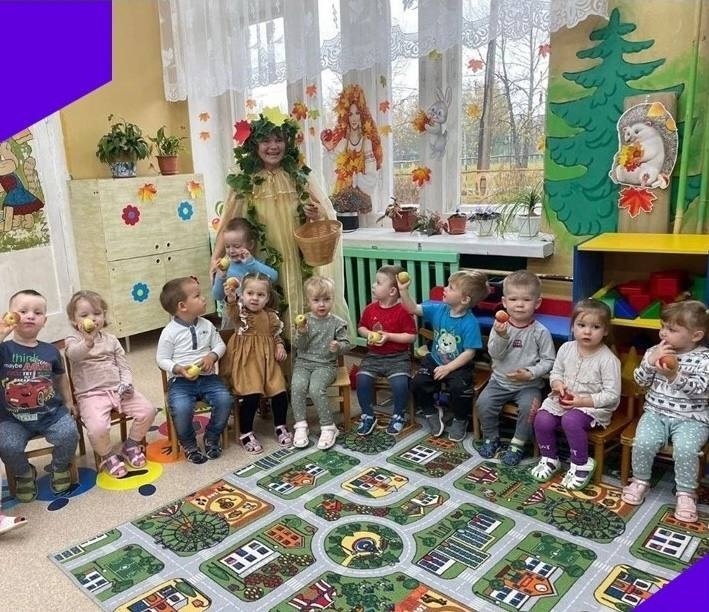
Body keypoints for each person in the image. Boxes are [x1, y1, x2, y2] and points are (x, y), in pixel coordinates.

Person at [211, 114, 349, 341]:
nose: (273, 146)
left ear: (288, 143)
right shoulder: (246, 180)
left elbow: (325, 215)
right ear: (255, 145)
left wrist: (316, 214)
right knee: (265, 298)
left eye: (279, 140)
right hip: (261, 255)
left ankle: (301, 348)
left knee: (298, 295)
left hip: (296, 254)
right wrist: (215, 257)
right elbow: (228, 221)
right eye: (266, 141)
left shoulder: (297, 175)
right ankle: (271, 349)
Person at [622, 301, 709, 522]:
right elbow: (640, 381)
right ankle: (640, 480)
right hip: (655, 413)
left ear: (696, 335)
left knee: (686, 449)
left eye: (672, 329)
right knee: (643, 442)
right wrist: (650, 363)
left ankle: (686, 493)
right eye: (663, 326)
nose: (663, 333)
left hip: (692, 419)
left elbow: (701, 390)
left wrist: (674, 376)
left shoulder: (704, 359)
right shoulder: (654, 351)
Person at [530, 298, 621, 490]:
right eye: (581, 325)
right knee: (542, 419)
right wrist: (557, 384)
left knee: (570, 420)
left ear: (605, 330)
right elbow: (556, 372)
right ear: (572, 327)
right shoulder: (566, 348)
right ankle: (549, 458)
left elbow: (612, 395)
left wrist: (582, 401)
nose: (587, 331)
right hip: (561, 401)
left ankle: (581, 463)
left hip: (592, 408)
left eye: (595, 327)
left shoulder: (608, 360)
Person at [65, 290, 156, 477]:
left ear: (103, 315)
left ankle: (131, 444)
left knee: (148, 411)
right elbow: (73, 355)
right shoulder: (73, 340)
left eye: (97, 313)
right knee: (97, 428)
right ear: (74, 320)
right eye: (84, 315)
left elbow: (124, 367)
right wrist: (88, 342)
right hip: (90, 395)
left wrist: (126, 384)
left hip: (118, 390)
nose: (92, 318)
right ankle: (107, 455)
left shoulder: (112, 340)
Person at [0, 290, 79, 501]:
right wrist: (1, 334)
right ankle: (24, 473)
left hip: (50, 413)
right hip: (12, 418)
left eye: (37, 312)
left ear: (44, 321)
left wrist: (69, 401)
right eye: (23, 311)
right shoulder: (3, 349)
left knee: (69, 434)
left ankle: (59, 467)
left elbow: (61, 377)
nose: (30, 316)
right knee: (6, 445)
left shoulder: (50, 351)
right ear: (10, 316)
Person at [477, 271, 556, 465]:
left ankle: (518, 443)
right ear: (504, 302)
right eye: (513, 299)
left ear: (537, 303)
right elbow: (495, 354)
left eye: (526, 300)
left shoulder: (540, 332)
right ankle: (491, 437)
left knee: (530, 409)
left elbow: (549, 361)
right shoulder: (500, 327)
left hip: (529, 386)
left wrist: (530, 373)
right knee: (483, 403)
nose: (519, 304)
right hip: (499, 382)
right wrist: (502, 337)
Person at [399, 270, 488, 441]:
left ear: (465, 300)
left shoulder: (470, 323)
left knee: (460, 389)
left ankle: (460, 419)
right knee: (418, 382)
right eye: (448, 285)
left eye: (451, 287)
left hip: (459, 365)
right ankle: (430, 411)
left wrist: (448, 368)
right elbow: (413, 308)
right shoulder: (439, 309)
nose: (445, 288)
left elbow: (469, 353)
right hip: (435, 359)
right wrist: (403, 290)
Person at [156, 277, 233, 464]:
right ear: (182, 306)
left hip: (208, 378)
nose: (204, 298)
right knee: (181, 408)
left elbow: (220, 345)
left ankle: (212, 436)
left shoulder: (207, 325)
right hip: (181, 382)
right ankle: (189, 444)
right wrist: (177, 368)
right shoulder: (169, 332)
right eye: (197, 296)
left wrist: (212, 356)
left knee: (225, 400)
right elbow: (161, 359)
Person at [220, 272, 291, 454]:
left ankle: (280, 426)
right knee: (251, 395)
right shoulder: (241, 313)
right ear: (242, 295)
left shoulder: (271, 316)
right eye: (250, 293)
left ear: (267, 298)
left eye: (260, 295)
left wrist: (279, 346)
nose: (254, 298)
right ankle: (245, 432)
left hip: (268, 363)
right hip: (246, 363)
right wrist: (231, 297)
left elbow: (276, 336)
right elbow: (232, 310)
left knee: (280, 391)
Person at [291, 276, 352, 450]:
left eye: (326, 299)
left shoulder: (337, 323)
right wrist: (302, 332)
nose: (322, 304)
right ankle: (301, 425)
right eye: (316, 300)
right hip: (303, 364)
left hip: (326, 365)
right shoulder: (304, 321)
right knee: (297, 387)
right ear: (308, 301)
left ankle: (328, 427)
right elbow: (299, 346)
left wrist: (338, 346)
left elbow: (347, 345)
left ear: (333, 299)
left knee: (316, 388)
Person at [356, 265, 416, 436]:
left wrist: (389, 336)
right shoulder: (370, 309)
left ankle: (398, 415)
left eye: (378, 282)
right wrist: (368, 334)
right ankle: (368, 415)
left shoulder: (403, 311)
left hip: (398, 357)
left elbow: (411, 337)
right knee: (361, 380)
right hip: (373, 356)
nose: (373, 285)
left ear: (392, 291)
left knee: (399, 384)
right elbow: (361, 327)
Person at [212, 217, 278, 329]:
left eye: (237, 246)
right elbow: (217, 296)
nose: (231, 250)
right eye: (227, 246)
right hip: (233, 318)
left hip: (256, 317)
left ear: (250, 245)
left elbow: (274, 277)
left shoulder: (254, 264)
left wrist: (251, 263)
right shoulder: (225, 269)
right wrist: (221, 276)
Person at [320, 83, 383, 198]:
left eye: (357, 113)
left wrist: (354, 178)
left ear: (362, 115)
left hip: (360, 199)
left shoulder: (366, 143)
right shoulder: (343, 143)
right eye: (350, 114)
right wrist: (329, 150)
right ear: (346, 117)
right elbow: (329, 172)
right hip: (342, 198)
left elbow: (371, 178)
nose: (354, 118)